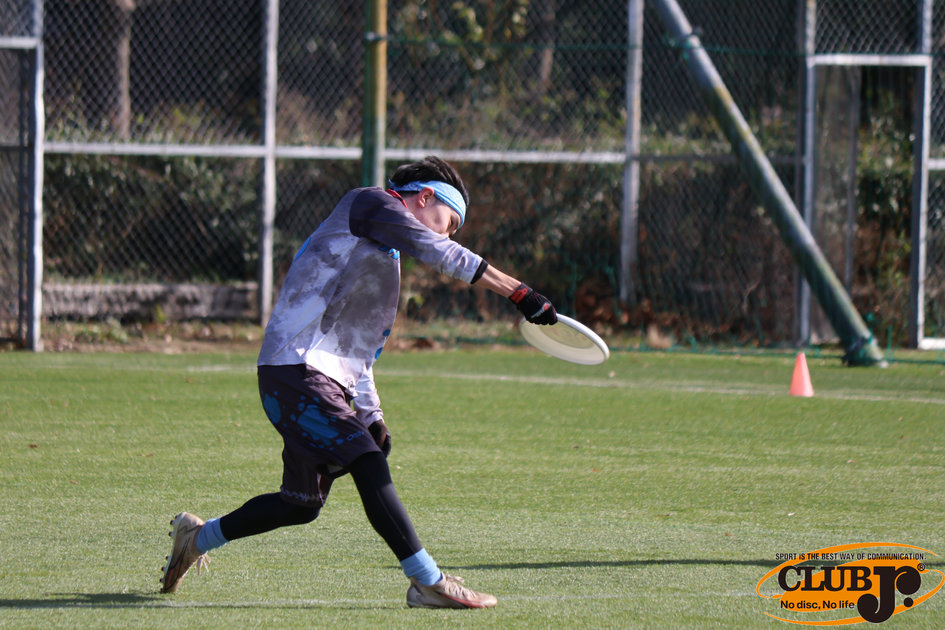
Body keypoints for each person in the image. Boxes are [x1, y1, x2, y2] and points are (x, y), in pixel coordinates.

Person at [159, 156, 556, 609]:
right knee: (368, 465)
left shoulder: (385, 256)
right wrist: (519, 292)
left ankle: (197, 537)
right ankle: (427, 581)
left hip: (313, 380)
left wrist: (371, 413)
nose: (444, 236)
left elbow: (357, 344)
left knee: (301, 505)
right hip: (294, 371)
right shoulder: (370, 203)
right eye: (447, 223)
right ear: (424, 197)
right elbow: (441, 253)